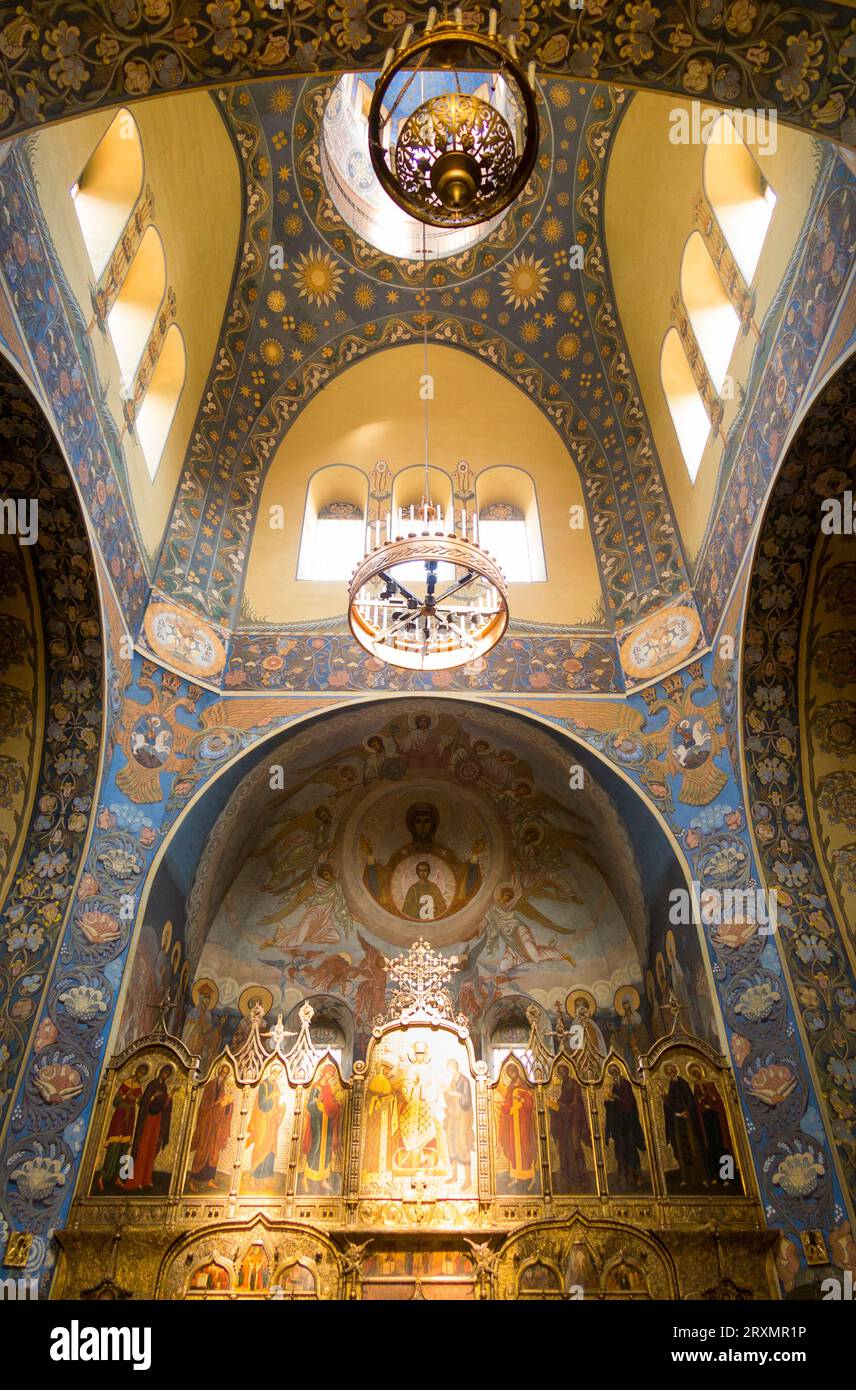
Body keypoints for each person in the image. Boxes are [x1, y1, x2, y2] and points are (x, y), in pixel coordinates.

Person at [97, 1064, 147, 1192]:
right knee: (113, 1146)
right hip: (120, 1115)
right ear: (136, 1071)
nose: (140, 1075)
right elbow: (115, 1102)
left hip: (130, 1117)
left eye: (143, 1073)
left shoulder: (138, 1087)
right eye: (139, 1071)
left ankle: (119, 1177)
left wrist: (138, 1099)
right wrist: (125, 1096)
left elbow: (141, 1102)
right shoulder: (126, 1083)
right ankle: (102, 1177)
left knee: (124, 1148)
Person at [124, 1064, 174, 1191]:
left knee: (152, 1149)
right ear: (160, 1072)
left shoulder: (164, 1087)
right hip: (148, 1119)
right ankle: (135, 1180)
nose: (165, 1075)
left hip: (157, 1120)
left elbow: (164, 1106)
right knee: (143, 1148)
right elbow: (145, 1102)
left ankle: (146, 1179)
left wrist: (170, 1097)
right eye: (164, 1072)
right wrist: (153, 1097)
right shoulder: (152, 1085)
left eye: (167, 1074)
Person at [187, 1064, 234, 1191]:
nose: (223, 1076)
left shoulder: (225, 1089)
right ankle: (193, 1179)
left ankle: (210, 1179)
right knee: (202, 1150)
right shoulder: (210, 1085)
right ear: (219, 1072)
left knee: (214, 1151)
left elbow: (227, 1109)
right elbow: (204, 1106)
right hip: (207, 1123)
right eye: (222, 1072)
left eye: (226, 1074)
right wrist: (216, 1103)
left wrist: (228, 1105)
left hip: (217, 1125)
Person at [663, 1063, 709, 1190]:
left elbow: (690, 1099)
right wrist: (664, 1097)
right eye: (668, 1071)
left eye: (672, 1070)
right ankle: (685, 1177)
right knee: (680, 1147)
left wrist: (686, 1111)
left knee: (693, 1146)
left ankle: (701, 1177)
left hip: (687, 1118)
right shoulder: (671, 1086)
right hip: (677, 1120)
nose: (671, 1072)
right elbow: (671, 1104)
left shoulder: (683, 1083)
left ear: (676, 1070)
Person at [547, 1062, 592, 1192]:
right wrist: (555, 1104)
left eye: (563, 1072)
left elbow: (575, 1101)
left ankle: (582, 1173)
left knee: (575, 1144)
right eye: (560, 1073)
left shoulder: (574, 1083)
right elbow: (563, 1100)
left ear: (567, 1072)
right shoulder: (563, 1085)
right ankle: (569, 1174)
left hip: (576, 1118)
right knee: (566, 1146)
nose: (561, 1075)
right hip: (567, 1119)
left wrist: (562, 1106)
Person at [603, 1064, 646, 1191]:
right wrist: (608, 1103)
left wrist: (614, 1097)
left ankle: (636, 1175)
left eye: (614, 1071)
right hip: (618, 1124)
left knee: (630, 1148)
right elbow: (615, 1106)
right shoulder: (615, 1086)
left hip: (628, 1123)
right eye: (611, 1073)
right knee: (619, 1149)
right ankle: (623, 1175)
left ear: (618, 1071)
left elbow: (628, 1102)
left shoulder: (626, 1084)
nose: (613, 1074)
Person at [443, 1059, 474, 1188]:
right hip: (453, 1117)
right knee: (452, 1143)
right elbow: (448, 1099)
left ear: (455, 1068)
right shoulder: (451, 1082)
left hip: (463, 1117)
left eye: (451, 1068)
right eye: (448, 1069)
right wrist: (448, 1094)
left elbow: (467, 1100)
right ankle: (454, 1176)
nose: (450, 1071)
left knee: (462, 1144)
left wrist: (457, 1095)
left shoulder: (464, 1080)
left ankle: (468, 1179)